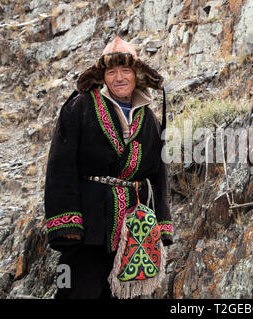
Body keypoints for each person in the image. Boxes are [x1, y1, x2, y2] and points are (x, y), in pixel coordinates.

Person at [44, 36, 173, 299]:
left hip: (133, 230)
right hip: (86, 227)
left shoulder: (149, 119)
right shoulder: (79, 106)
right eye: (111, 71)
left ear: (137, 75)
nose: (119, 78)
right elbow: (60, 165)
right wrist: (65, 222)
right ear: (103, 77)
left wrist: (161, 224)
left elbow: (159, 175)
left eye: (125, 70)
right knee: (71, 289)